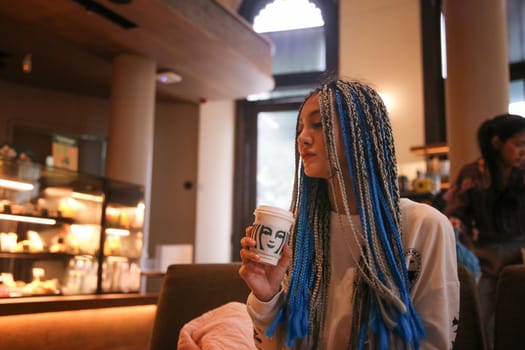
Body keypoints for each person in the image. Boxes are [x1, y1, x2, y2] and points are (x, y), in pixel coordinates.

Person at [239, 79, 459, 349]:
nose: (302, 138)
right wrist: (266, 294)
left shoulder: (423, 225)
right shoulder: (300, 231)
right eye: (300, 129)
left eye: (318, 124)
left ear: (362, 133)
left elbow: (434, 342)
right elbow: (278, 345)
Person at [444, 113, 525, 347]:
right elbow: (458, 208)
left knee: (517, 312)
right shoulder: (473, 173)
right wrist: (455, 221)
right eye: (518, 144)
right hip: (485, 254)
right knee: (482, 312)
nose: (522, 151)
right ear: (497, 143)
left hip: (520, 251)